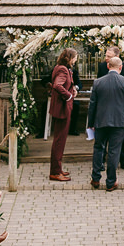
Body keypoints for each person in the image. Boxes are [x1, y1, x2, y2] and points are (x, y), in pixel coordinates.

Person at [88, 55, 124, 191]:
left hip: (100, 121)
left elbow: (92, 105)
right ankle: (110, 182)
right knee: (114, 152)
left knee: (98, 149)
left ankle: (95, 178)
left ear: (108, 66)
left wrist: (90, 123)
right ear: (120, 68)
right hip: (119, 123)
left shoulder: (98, 82)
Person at [48, 47, 78, 182]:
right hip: (62, 109)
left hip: (62, 108)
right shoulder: (63, 69)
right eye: (75, 57)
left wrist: (73, 89)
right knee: (59, 141)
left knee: (60, 140)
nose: (76, 60)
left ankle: (58, 169)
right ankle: (55, 172)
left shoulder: (61, 68)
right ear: (70, 58)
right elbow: (57, 85)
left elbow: (65, 84)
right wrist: (68, 96)